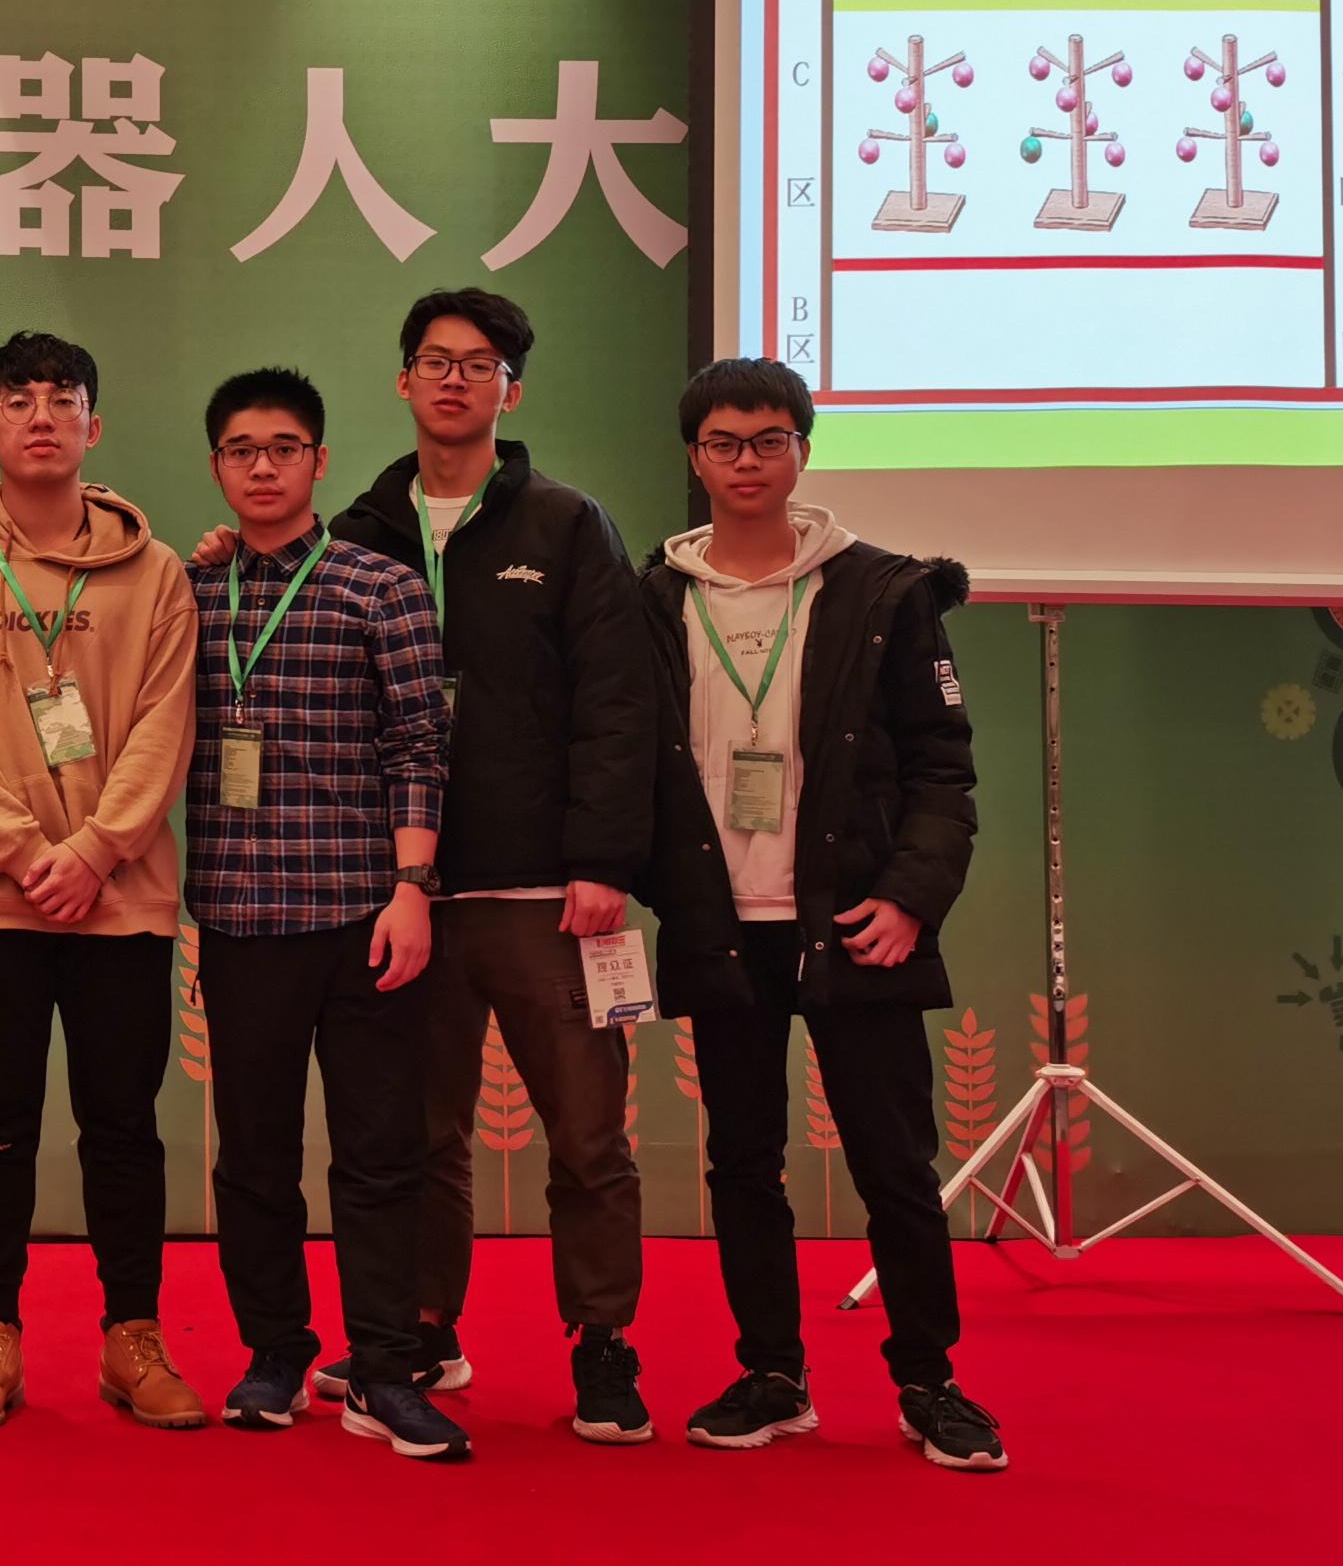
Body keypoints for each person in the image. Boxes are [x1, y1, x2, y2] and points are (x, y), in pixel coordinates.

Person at [640, 359, 1003, 1472]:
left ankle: (930, 1381)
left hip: (853, 922)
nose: (746, 462)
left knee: (895, 1163)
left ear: (804, 449)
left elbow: (943, 768)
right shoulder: (655, 596)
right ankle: (772, 1372)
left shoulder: (884, 592)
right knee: (744, 1163)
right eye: (723, 443)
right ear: (694, 457)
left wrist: (909, 899)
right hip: (721, 925)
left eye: (768, 440)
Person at [318, 289, 658, 1442]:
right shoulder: (359, 529)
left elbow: (619, 702)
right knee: (420, 1135)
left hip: (547, 893)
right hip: (404, 895)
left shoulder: (566, 525)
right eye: (434, 360)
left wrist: (601, 858)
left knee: (589, 1137)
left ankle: (602, 1344)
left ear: (513, 389)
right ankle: (424, 1331)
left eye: (479, 364)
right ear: (402, 381)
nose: (454, 379)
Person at [0, 330, 199, 1432]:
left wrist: (99, 849)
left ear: (93, 426)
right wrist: (28, 854)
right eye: (17, 400)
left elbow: (166, 725)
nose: (40, 415)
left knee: (123, 1124)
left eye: (61, 398)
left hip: (123, 900)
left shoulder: (159, 575)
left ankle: (133, 1337)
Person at [185, 367, 470, 1462]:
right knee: (253, 1157)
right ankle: (273, 1352)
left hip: (362, 916)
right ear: (217, 465)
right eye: (241, 450)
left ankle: (386, 1367)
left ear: (319, 461)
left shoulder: (377, 587)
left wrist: (412, 888)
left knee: (381, 1154)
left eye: (284, 448)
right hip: (237, 917)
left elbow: (419, 745)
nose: (263, 467)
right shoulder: (188, 594)